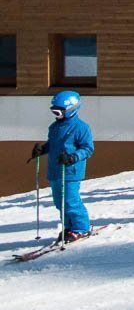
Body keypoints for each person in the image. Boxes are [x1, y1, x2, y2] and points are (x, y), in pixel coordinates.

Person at [31, 90, 94, 242]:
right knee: (59, 202)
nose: (56, 115)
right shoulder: (54, 127)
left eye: (59, 112)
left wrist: (73, 157)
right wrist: (43, 149)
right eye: (54, 111)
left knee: (71, 201)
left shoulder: (81, 127)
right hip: (55, 170)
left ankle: (81, 228)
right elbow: (53, 144)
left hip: (71, 171)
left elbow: (87, 149)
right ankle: (68, 227)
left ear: (72, 109)